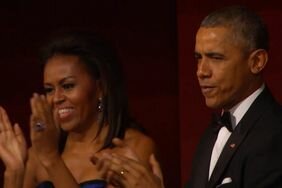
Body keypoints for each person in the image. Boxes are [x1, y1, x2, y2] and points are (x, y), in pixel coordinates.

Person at [93, 5, 282, 188]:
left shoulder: (275, 135)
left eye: (216, 58)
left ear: (257, 61)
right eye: (198, 58)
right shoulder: (214, 132)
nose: (201, 71)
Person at [0, 32, 157, 188]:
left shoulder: (134, 148)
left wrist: (52, 160)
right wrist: (14, 172)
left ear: (101, 87)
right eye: (49, 90)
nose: (56, 98)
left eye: (67, 86)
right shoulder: (37, 155)